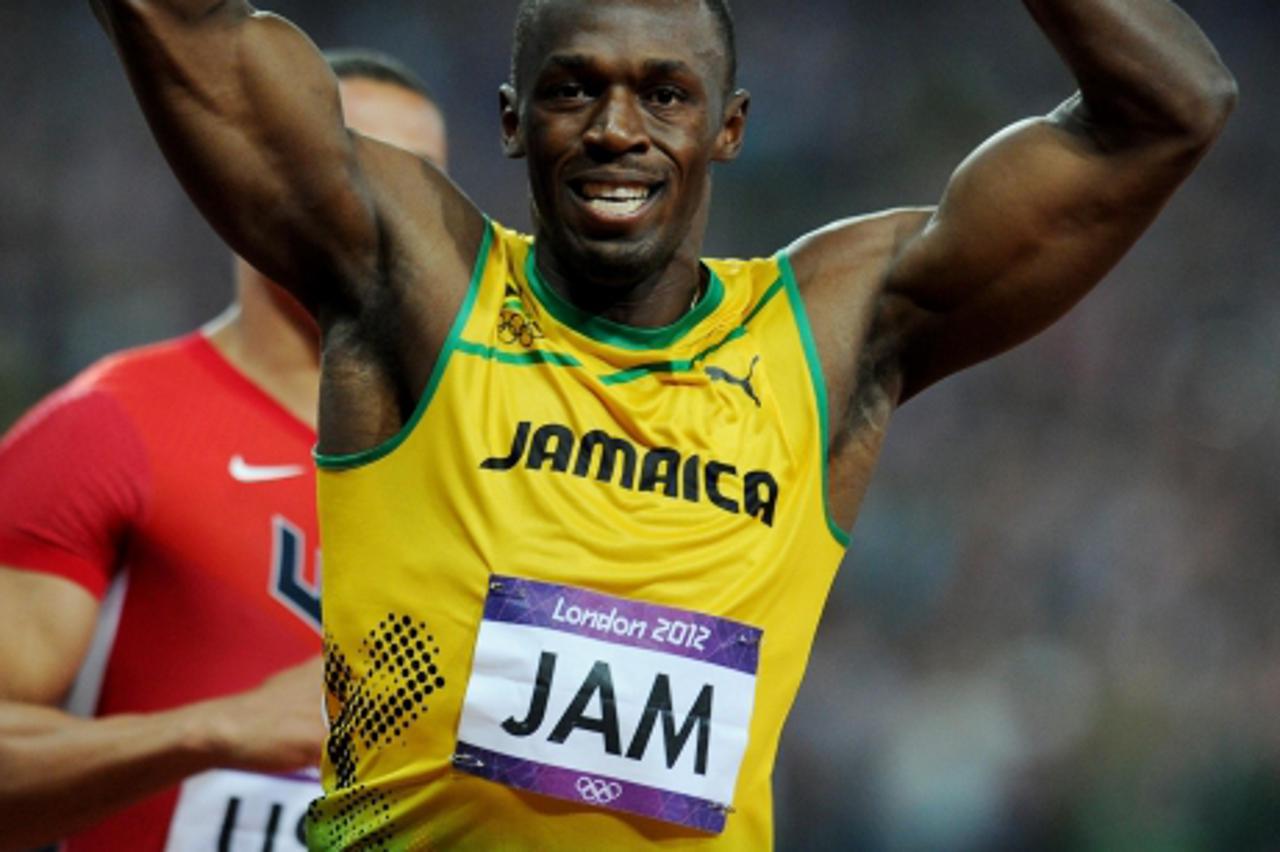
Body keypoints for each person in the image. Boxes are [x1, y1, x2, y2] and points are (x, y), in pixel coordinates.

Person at [83, 0, 1236, 849]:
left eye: (664, 94)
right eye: (573, 88)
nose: (614, 128)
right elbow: (189, 35)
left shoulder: (831, 332)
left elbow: (1173, 107)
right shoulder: (419, 284)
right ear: (511, 121)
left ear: (727, 127)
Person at [0, 50, 447, 852]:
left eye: (420, 181)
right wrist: (214, 730)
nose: (382, 209)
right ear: (246, 179)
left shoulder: (490, 456)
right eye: (348, 163)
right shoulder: (113, 424)